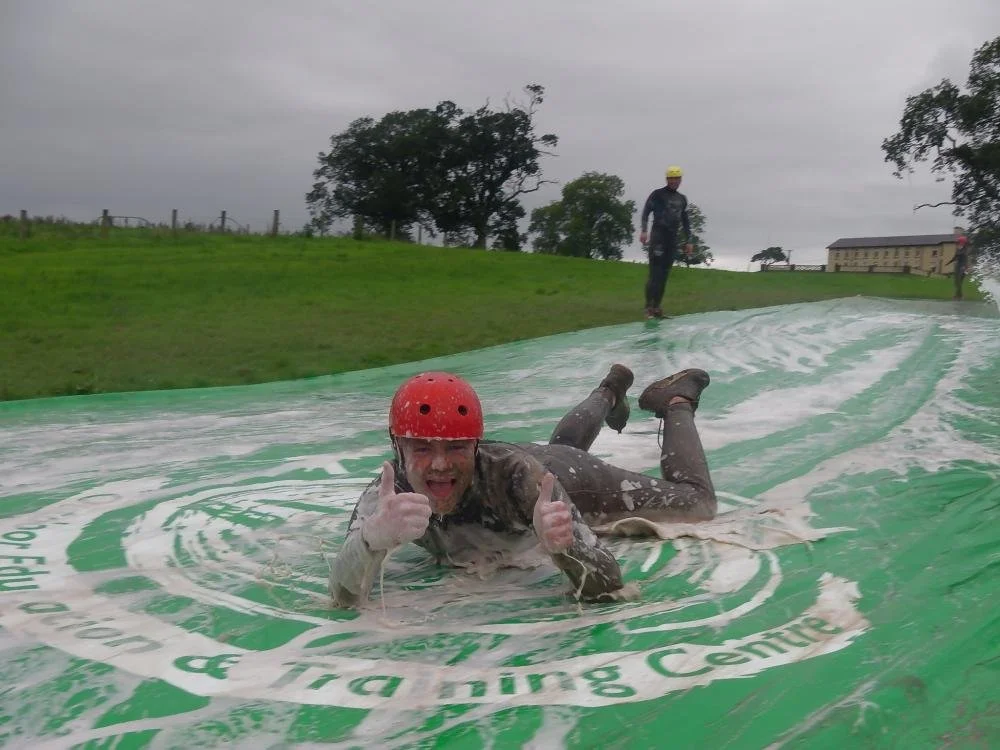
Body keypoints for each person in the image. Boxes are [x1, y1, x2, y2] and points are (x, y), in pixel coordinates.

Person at [329, 365, 716, 607]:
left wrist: (565, 548)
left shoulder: (519, 479)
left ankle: (677, 400)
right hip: (539, 461)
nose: (441, 464)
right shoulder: (386, 493)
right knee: (560, 448)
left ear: (476, 446)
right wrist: (369, 540)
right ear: (397, 446)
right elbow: (344, 596)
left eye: (457, 447)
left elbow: (609, 583)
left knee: (697, 504)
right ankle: (609, 391)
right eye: (422, 448)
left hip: (571, 480)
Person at [639, 165, 694, 320]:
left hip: (672, 240)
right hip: (658, 238)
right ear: (667, 179)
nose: (674, 181)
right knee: (655, 274)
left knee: (664, 275)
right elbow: (645, 212)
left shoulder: (682, 199)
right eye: (672, 178)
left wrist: (689, 241)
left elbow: (685, 221)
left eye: (677, 178)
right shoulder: (657, 194)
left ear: (680, 180)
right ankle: (648, 308)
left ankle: (657, 307)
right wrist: (644, 230)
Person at [946, 233, 972, 300]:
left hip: (963, 266)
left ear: (962, 243)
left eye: (958, 242)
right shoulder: (958, 249)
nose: (957, 244)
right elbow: (954, 257)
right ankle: (958, 295)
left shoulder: (965, 250)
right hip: (958, 266)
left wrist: (966, 267)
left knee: (959, 281)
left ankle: (960, 296)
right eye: (957, 242)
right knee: (956, 282)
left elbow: (965, 258)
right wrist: (948, 263)